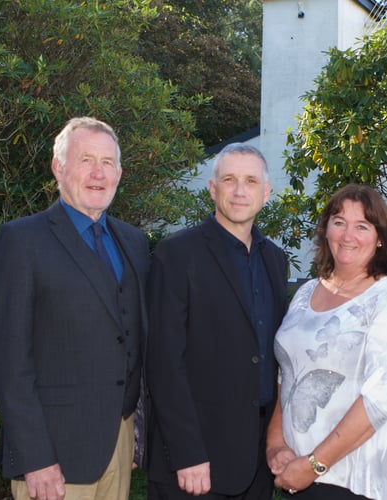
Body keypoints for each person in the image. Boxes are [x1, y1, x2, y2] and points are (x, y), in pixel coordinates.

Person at [0, 117, 150, 500]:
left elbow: (134, 339)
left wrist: (133, 433)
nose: (98, 172)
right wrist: (35, 458)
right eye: (86, 160)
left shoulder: (134, 241)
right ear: (58, 168)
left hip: (118, 445)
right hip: (53, 456)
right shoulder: (22, 241)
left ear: (120, 173)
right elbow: (10, 363)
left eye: (108, 162)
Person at [145, 143, 288, 499]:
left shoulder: (275, 260)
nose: (240, 191)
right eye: (230, 180)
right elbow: (163, 364)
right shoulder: (176, 255)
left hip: (257, 461)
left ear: (266, 192)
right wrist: (187, 452)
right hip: (195, 464)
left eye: (251, 181)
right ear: (213, 188)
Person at [267, 184, 387, 500]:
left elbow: (378, 400)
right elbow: (288, 377)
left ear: (380, 238)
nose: (348, 235)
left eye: (362, 226)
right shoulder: (304, 295)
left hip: (360, 480)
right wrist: (275, 444)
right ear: (326, 230)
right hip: (300, 474)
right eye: (339, 222)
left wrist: (313, 465)